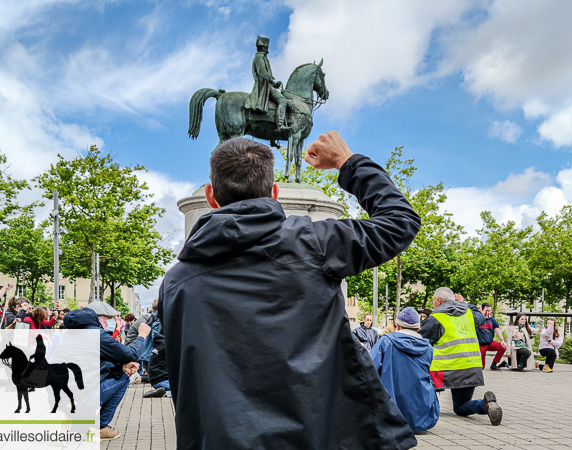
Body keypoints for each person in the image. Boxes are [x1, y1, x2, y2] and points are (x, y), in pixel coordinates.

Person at [160, 132, 421, 449]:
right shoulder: (316, 242)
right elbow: (399, 222)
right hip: (320, 434)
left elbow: (181, 374)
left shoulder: (176, 283)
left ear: (210, 195)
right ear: (274, 192)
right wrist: (347, 162)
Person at [65, 302, 150, 441]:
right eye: (109, 319)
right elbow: (130, 355)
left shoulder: (72, 333)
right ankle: (100, 426)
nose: (112, 323)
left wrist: (120, 367)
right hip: (78, 396)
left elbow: (92, 364)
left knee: (119, 373)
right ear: (100, 318)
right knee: (122, 379)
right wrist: (142, 336)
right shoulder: (96, 334)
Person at [420, 287, 502, 426]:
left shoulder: (435, 318)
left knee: (423, 388)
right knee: (461, 406)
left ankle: (422, 411)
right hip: (471, 368)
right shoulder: (469, 313)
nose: (432, 303)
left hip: (445, 370)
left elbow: (421, 340)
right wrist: (463, 303)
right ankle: (484, 405)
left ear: (438, 301)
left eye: (433, 300)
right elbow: (481, 316)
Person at [369, 307, 439, 432]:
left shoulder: (386, 341)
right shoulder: (428, 347)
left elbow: (369, 369)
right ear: (418, 329)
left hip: (391, 416)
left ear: (397, 326)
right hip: (423, 419)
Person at [244, 35, 291, 132]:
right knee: (283, 101)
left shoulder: (263, 58)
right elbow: (262, 72)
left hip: (268, 85)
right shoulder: (259, 57)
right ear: (264, 47)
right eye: (266, 48)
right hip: (264, 87)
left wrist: (274, 84)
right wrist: (272, 80)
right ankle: (280, 124)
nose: (267, 50)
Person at [477, 303, 507, 371]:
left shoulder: (492, 320)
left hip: (490, 342)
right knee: (481, 367)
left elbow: (497, 329)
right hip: (481, 344)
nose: (488, 312)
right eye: (486, 310)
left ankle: (494, 364)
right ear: (482, 310)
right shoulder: (477, 318)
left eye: (490, 310)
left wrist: (502, 340)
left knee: (503, 347)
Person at [144, 329, 171, 398]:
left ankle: (164, 391)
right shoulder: (167, 347)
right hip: (163, 380)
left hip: (155, 381)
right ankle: (167, 393)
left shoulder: (159, 346)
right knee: (185, 390)